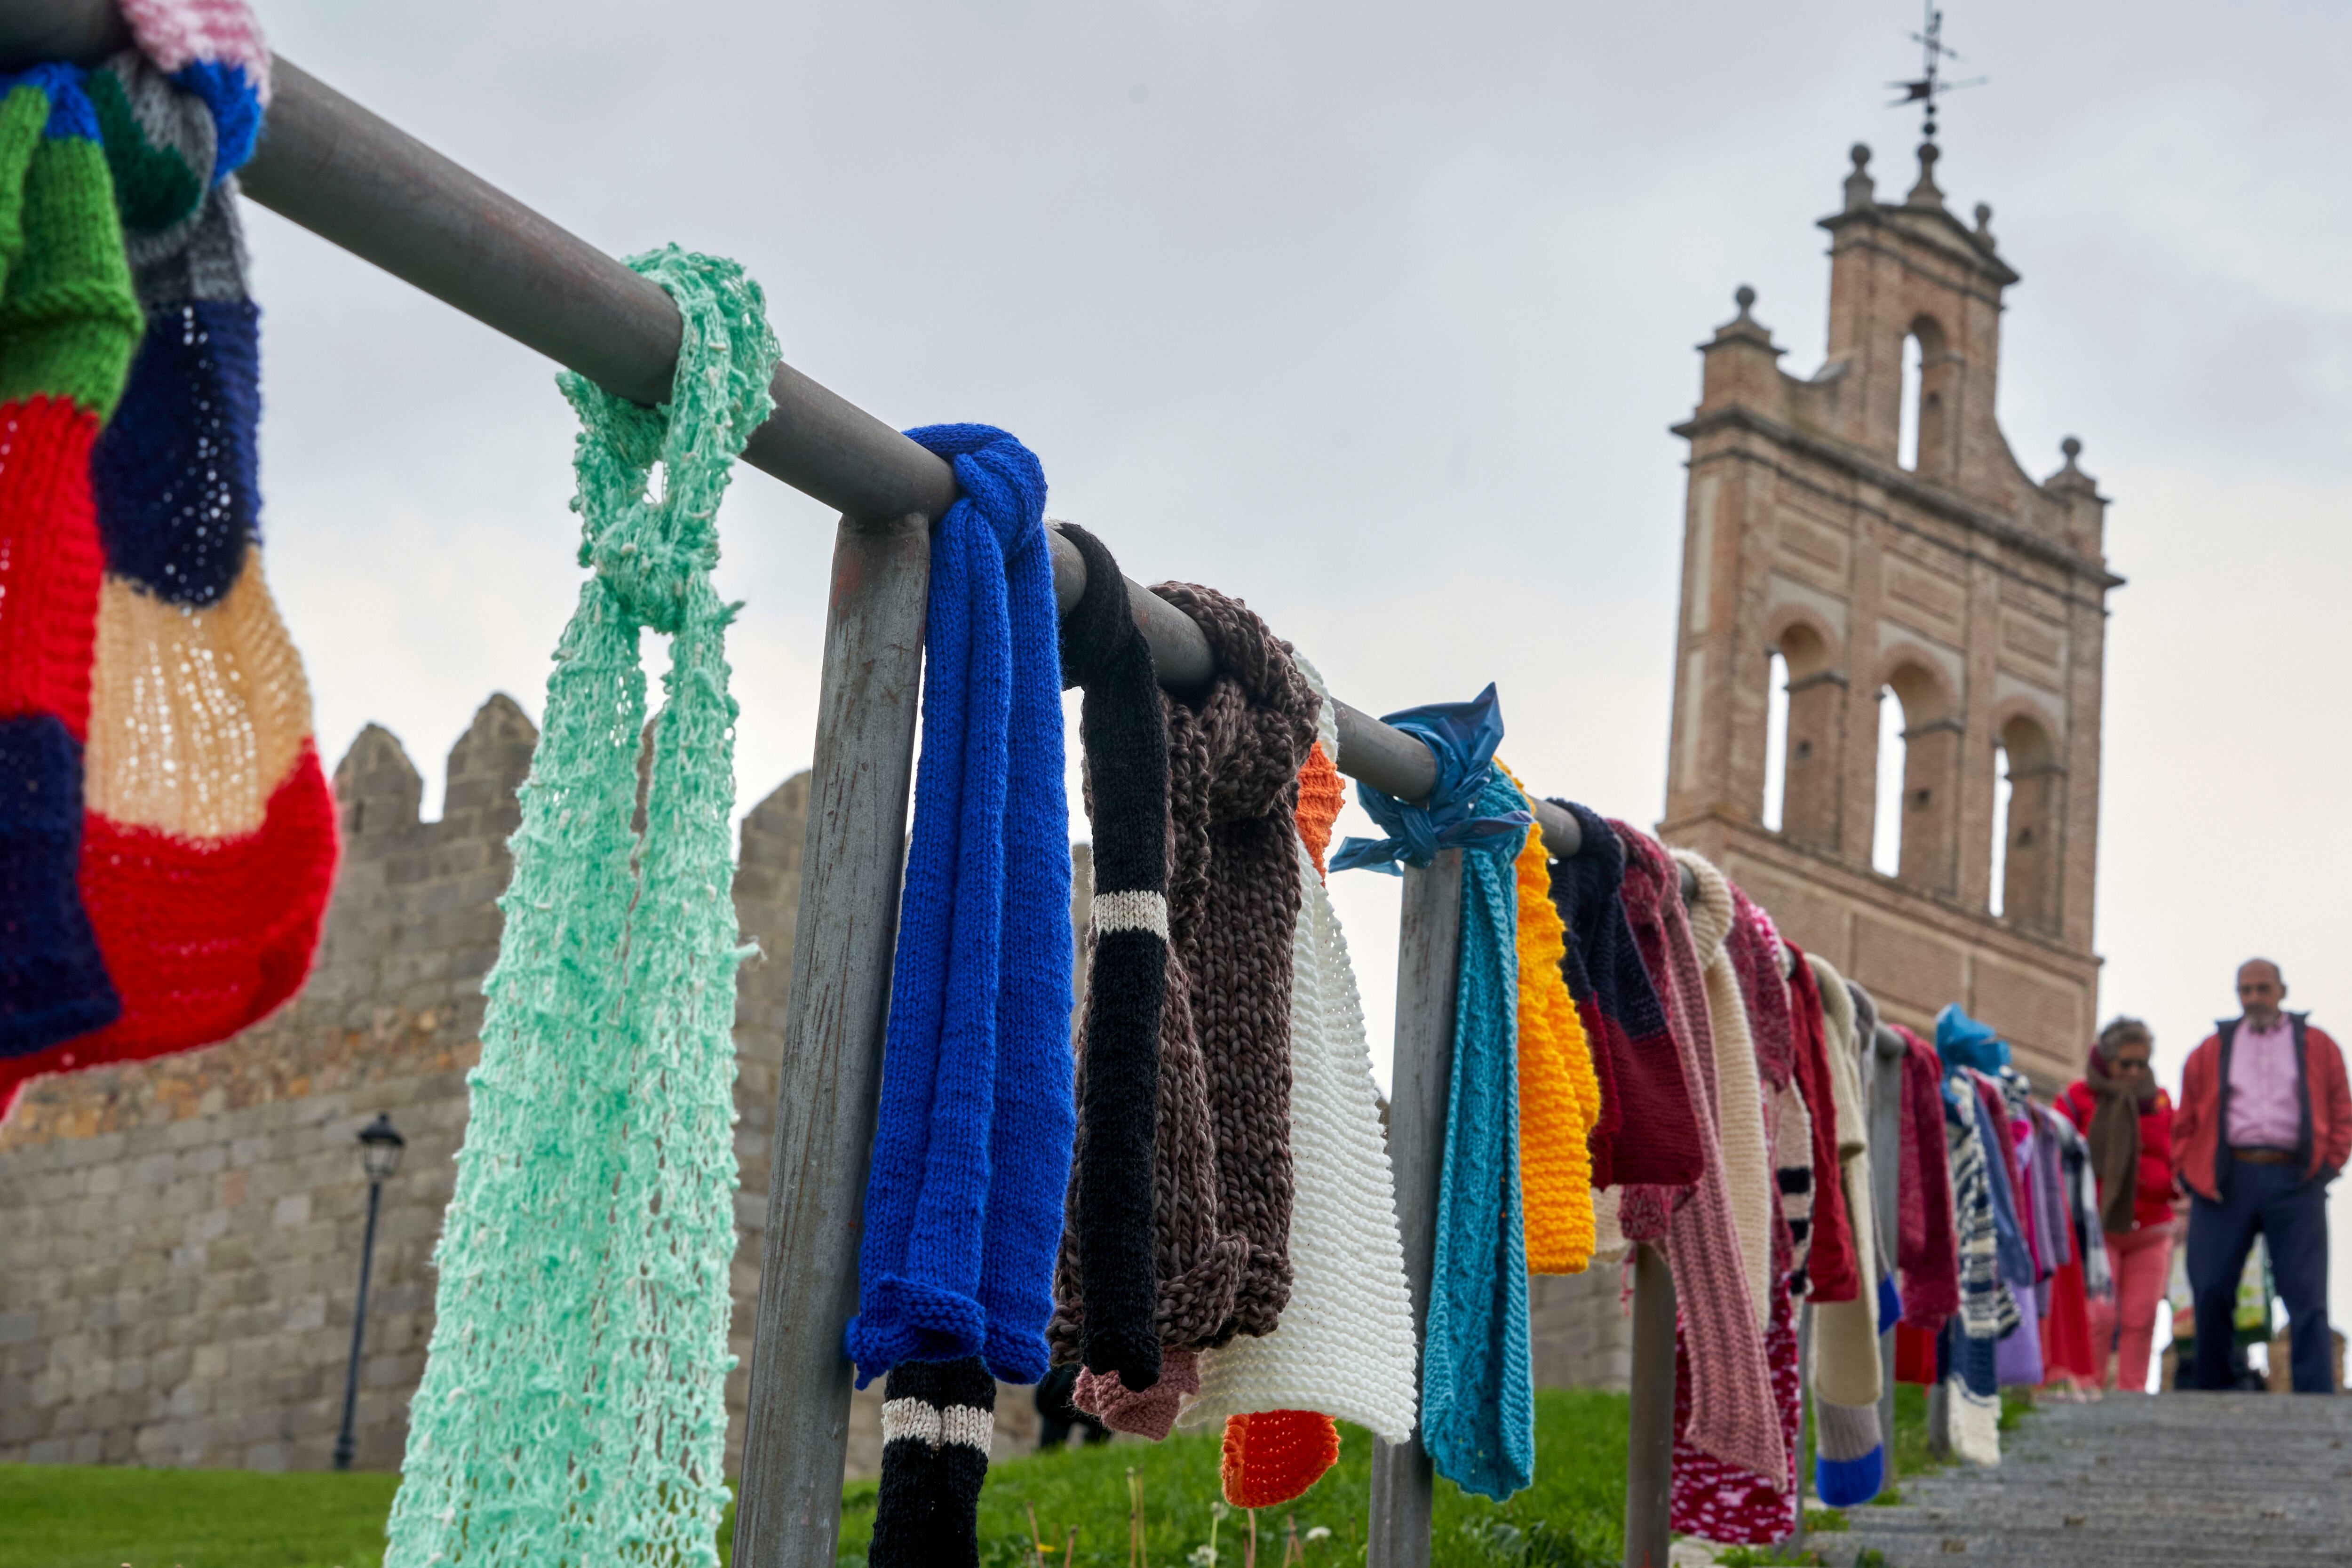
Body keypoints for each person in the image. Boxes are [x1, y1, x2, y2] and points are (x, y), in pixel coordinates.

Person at [2171, 958, 2352, 1393]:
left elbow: (2341, 1107)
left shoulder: (2318, 1045)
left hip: (2296, 1178)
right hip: (2225, 1178)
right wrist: (2190, 1173)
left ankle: (2315, 1396)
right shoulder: (2211, 1050)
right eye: (2245, 990)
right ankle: (2211, 1389)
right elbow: (2187, 1118)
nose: (2253, 999)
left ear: (2282, 991)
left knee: (2306, 1291)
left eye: (2262, 989)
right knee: (2211, 1286)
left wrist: (2327, 1167)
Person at [2058, 1017, 2177, 1394]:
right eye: (2125, 1063)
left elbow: (2176, 1153)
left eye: (2141, 1064)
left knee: (2142, 1318)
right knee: (2100, 1315)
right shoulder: (2077, 1098)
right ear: (2105, 1060)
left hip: (2152, 1227)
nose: (2133, 1072)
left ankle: (2132, 1395)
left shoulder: (2159, 1103)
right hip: (2099, 1226)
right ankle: (2089, 1385)